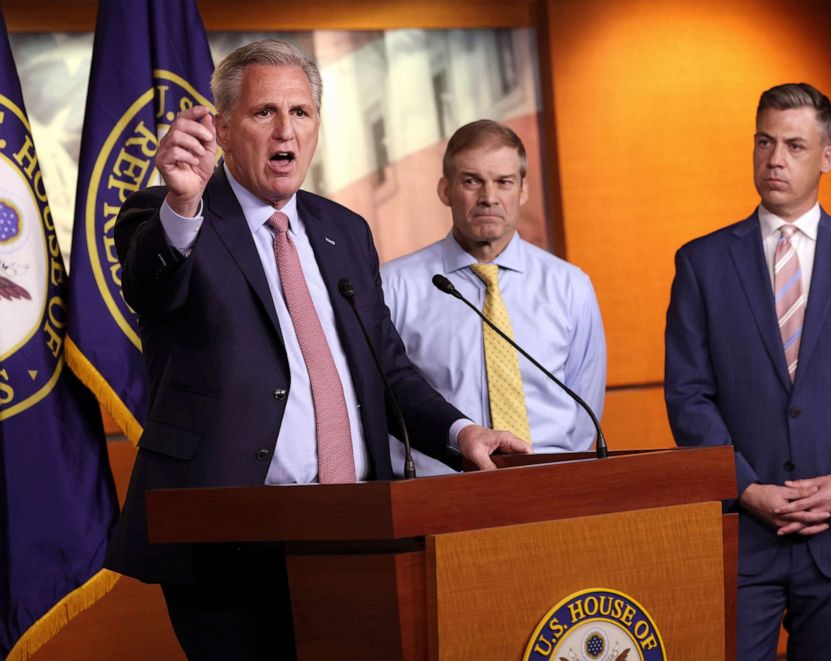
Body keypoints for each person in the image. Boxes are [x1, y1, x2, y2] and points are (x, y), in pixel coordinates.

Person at [104, 40, 527, 660]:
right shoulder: (172, 216)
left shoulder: (344, 229)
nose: (286, 131)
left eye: (300, 113)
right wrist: (182, 203)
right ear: (222, 128)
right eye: (263, 113)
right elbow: (152, 283)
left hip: (353, 531)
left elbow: (388, 368)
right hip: (228, 538)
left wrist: (460, 433)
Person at [663, 83, 831, 660]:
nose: (774, 159)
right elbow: (688, 395)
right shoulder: (701, 262)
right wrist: (746, 488)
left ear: (827, 157)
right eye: (764, 142)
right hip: (743, 531)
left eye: (793, 145)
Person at [381, 120, 606, 475]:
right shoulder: (393, 286)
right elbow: (389, 400)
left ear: (523, 190)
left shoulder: (570, 286)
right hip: (441, 491)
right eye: (472, 181)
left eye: (504, 182)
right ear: (445, 190)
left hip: (549, 484)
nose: (489, 197)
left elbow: (584, 409)